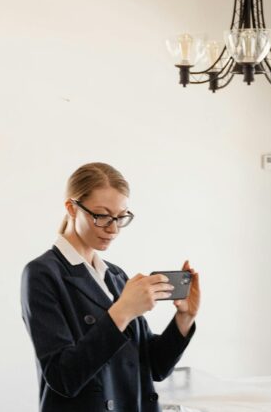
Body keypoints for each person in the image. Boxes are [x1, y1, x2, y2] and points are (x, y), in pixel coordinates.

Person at [21, 162, 200, 412]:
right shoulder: (43, 273)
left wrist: (184, 318)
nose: (113, 229)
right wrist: (122, 312)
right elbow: (63, 377)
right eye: (102, 216)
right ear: (72, 208)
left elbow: (154, 368)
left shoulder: (115, 276)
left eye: (120, 217)